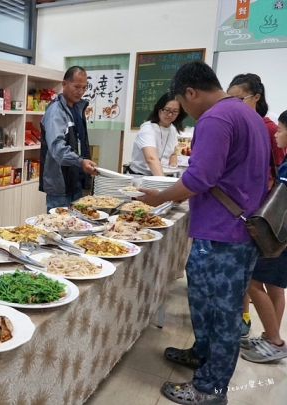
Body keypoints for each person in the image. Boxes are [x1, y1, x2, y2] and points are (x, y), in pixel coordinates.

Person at [137, 61, 270, 405]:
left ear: (191, 92)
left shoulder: (214, 118)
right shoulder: (249, 115)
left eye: (183, 103)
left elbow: (199, 179)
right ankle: (202, 353)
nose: (186, 113)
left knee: (221, 313)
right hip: (238, 229)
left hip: (222, 233)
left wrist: (159, 197)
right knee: (211, 304)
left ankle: (210, 388)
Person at [226, 73, 286, 337]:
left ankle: (271, 337)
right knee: (254, 278)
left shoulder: (268, 127)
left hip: (270, 218)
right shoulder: (244, 123)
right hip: (257, 212)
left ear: (256, 97)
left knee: (259, 278)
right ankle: (252, 323)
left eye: (238, 99)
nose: (233, 105)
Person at [239, 110, 287, 363]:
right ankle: (271, 337)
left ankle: (276, 342)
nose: (276, 134)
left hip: (278, 236)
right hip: (284, 238)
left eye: (280, 130)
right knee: (276, 288)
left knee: (253, 284)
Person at [39, 66, 98, 210]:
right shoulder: (56, 112)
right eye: (77, 86)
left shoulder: (77, 108)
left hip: (76, 180)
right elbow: (57, 147)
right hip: (60, 183)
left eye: (84, 87)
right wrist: (80, 161)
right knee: (59, 228)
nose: (81, 92)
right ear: (64, 84)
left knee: (76, 227)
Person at [126, 92, 186, 176]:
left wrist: (172, 167)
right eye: (167, 110)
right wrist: (162, 181)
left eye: (175, 111)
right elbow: (151, 159)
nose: (170, 114)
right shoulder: (148, 129)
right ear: (159, 108)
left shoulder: (172, 129)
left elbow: (172, 153)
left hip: (161, 174)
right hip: (141, 176)